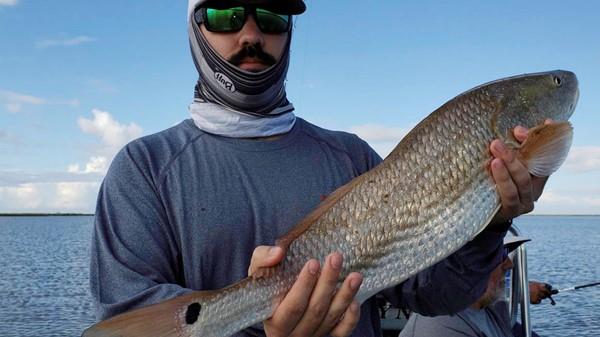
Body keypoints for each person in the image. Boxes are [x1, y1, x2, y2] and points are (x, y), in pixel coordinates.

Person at [88, 1, 551, 336]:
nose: (251, 35)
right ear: (195, 26)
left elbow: (433, 296)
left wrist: (492, 218)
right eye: (226, 14)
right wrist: (262, 328)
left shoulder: (352, 156)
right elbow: (127, 323)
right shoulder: (143, 169)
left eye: (271, 16)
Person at [398, 237, 554, 337]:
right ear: (466, 264)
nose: (509, 264)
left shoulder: (489, 307)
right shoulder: (440, 325)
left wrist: (525, 290)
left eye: (507, 253)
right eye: (499, 254)